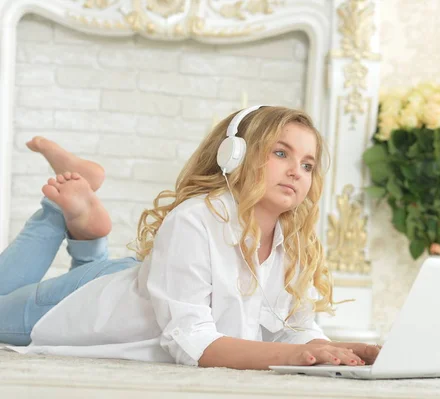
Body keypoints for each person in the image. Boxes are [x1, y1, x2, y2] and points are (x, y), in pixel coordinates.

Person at [0, 106, 380, 369]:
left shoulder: (295, 239)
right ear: (234, 155)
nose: (297, 171)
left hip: (140, 285)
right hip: (81, 303)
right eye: (281, 153)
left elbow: (296, 333)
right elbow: (191, 341)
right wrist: (288, 357)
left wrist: (333, 349)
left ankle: (86, 223)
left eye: (308, 164)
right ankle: (58, 210)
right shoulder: (195, 219)